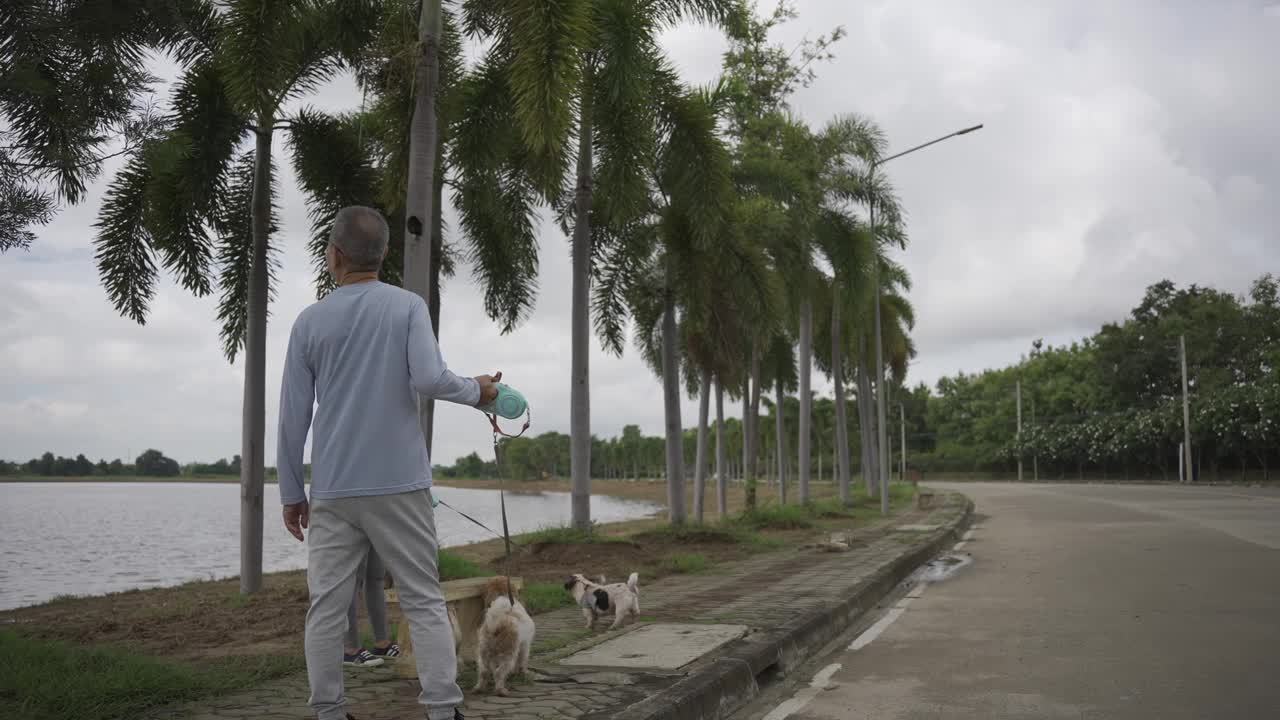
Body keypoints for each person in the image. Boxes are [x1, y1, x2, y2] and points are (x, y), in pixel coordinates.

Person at [278, 205, 499, 720]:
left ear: (334, 256)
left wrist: (292, 492)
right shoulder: (407, 307)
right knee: (423, 598)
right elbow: (429, 378)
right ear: (383, 255)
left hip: (333, 489)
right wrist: (480, 391)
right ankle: (443, 710)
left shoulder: (309, 321)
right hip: (400, 483)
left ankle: (329, 712)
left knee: (327, 607)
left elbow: (293, 416)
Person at [342, 547, 397, 668]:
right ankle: (351, 649)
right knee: (354, 577)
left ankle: (382, 644)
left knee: (377, 574)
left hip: (379, 526)